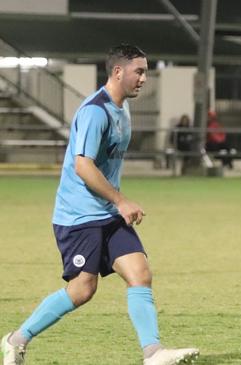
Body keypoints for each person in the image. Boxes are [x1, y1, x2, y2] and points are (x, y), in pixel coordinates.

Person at [1, 44, 199, 365]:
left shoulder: (122, 108)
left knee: (140, 273)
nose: (144, 78)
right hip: (79, 217)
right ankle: (16, 339)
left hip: (106, 214)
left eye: (145, 71)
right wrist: (120, 199)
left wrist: (115, 203)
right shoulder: (95, 111)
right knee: (82, 290)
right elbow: (83, 165)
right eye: (139, 71)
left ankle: (153, 353)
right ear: (117, 72)